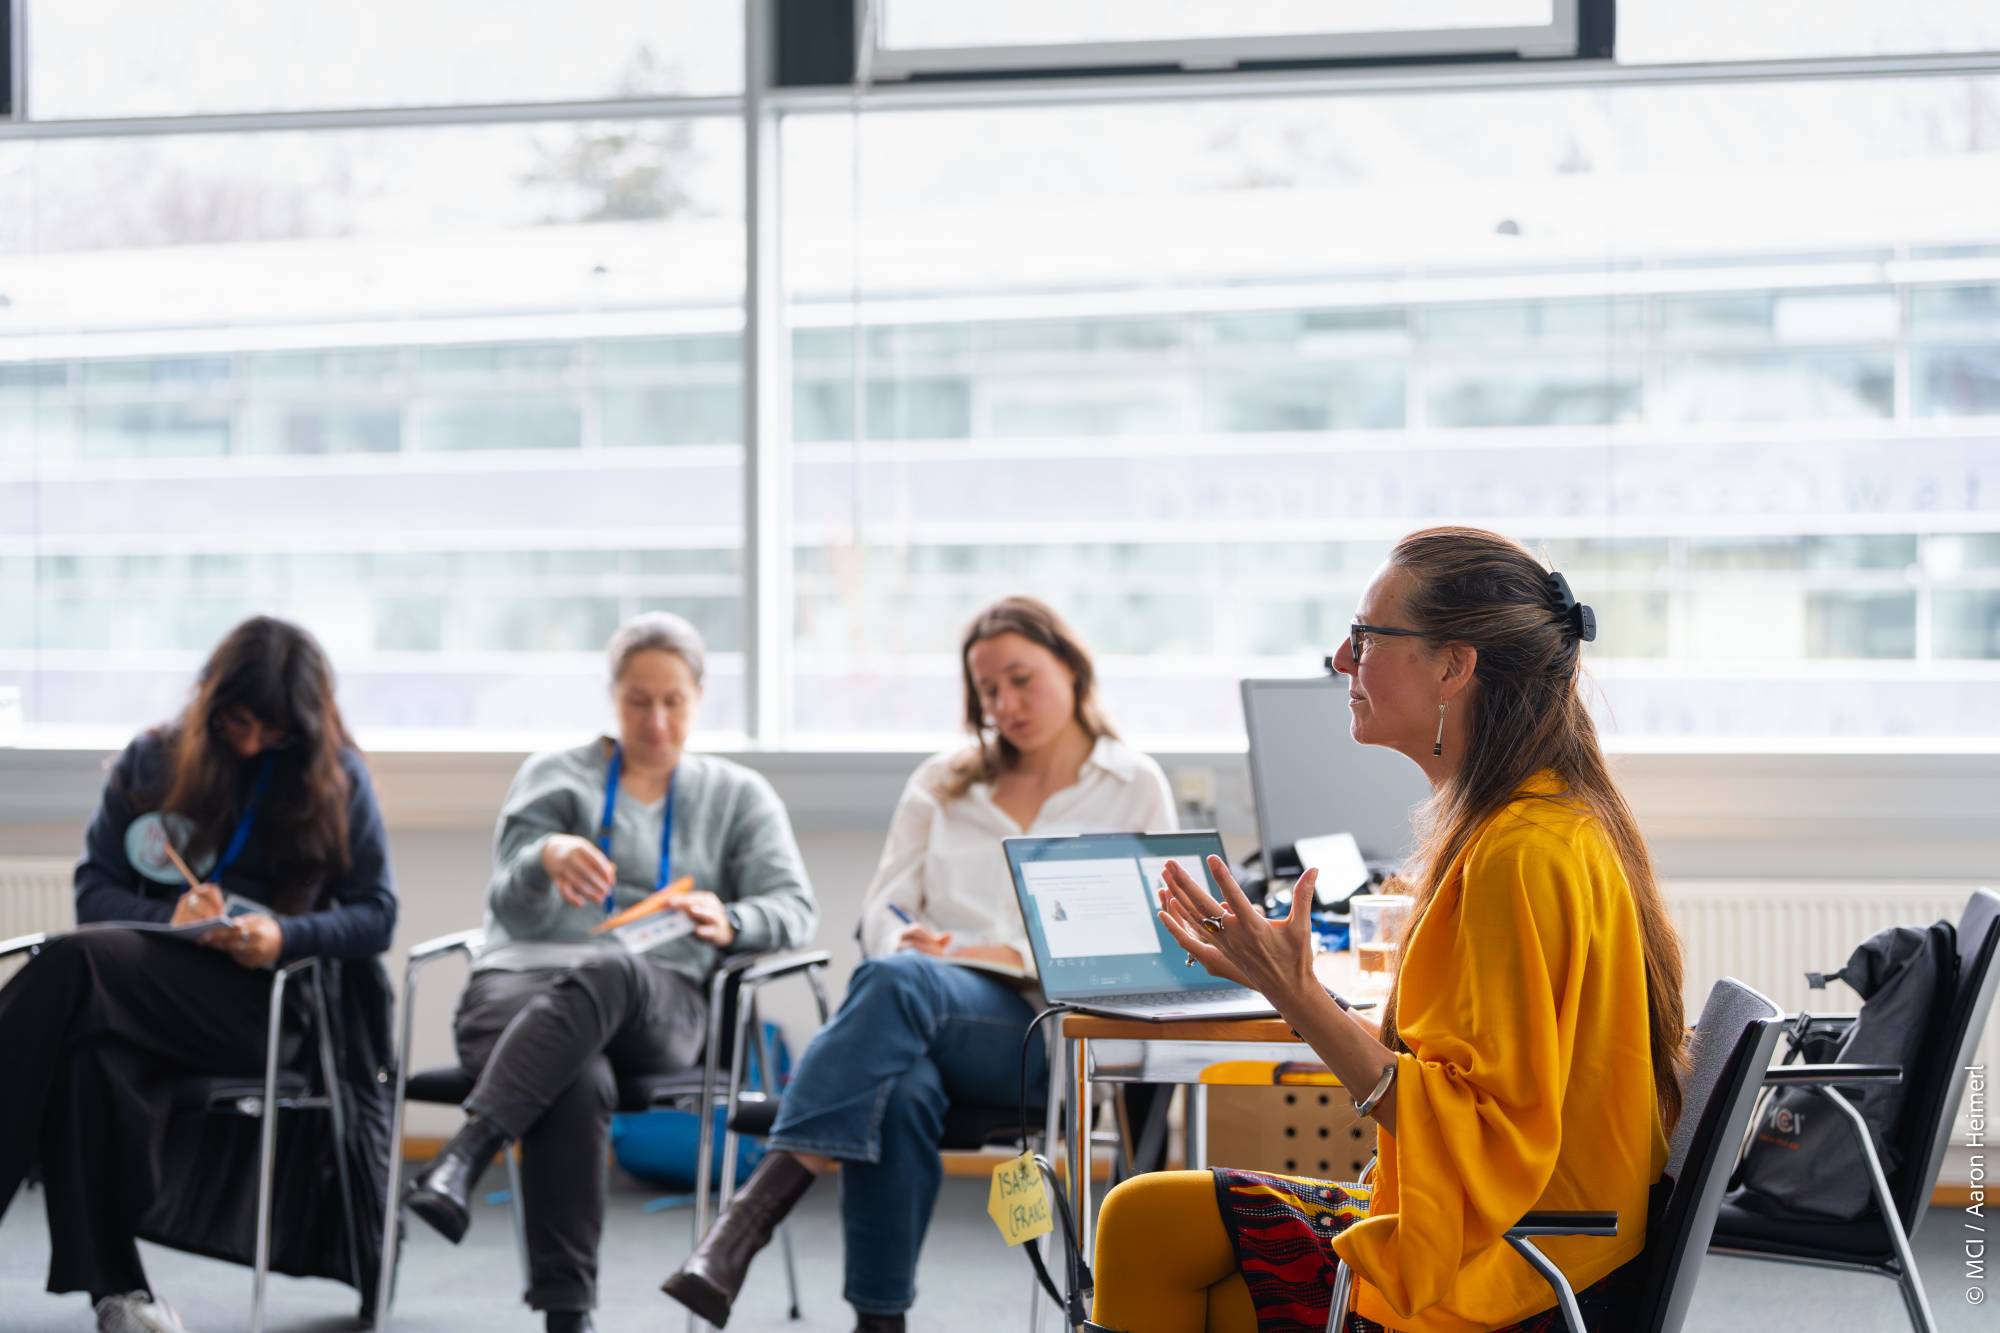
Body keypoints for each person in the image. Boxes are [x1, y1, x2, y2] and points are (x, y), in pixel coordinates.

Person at [1088, 527, 1689, 1333]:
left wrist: (1294, 992)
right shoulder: (1540, 818)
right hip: (1549, 1242)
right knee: (1145, 1217)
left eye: (1367, 635)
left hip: (1520, 1269)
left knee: (1146, 1235)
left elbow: (1480, 1127)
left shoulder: (1521, 852)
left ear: (1453, 666)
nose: (1341, 658)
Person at [662, 596, 1176, 1333]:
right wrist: (903, 940)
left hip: (1044, 1035)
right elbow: (881, 910)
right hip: (915, 1017)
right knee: (895, 1083)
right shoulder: (943, 783)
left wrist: (980, 953)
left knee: (900, 988)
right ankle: (880, 1322)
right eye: (989, 690)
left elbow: (1142, 934)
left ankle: (745, 1224)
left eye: (1022, 679)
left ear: (1072, 666)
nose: (1005, 703)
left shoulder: (1133, 784)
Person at [404, 611, 817, 1333]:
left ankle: (465, 1155)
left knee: (612, 970)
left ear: (698, 697)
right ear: (612, 694)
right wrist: (545, 857)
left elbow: (793, 907)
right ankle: (569, 1317)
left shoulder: (738, 795)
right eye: (637, 700)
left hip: (657, 1003)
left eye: (673, 701)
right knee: (576, 1075)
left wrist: (733, 920)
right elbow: (502, 897)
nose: (655, 720)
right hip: (520, 984)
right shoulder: (555, 774)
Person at [0, 615, 398, 1333]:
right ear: (212, 701)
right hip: (148, 987)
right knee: (90, 1050)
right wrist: (169, 915)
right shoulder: (152, 759)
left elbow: (376, 915)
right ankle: (121, 1294)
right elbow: (97, 893)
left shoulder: (339, 776)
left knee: (69, 964)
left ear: (302, 726)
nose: (249, 741)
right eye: (238, 721)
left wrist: (283, 934)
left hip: (263, 1012)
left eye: (270, 731)